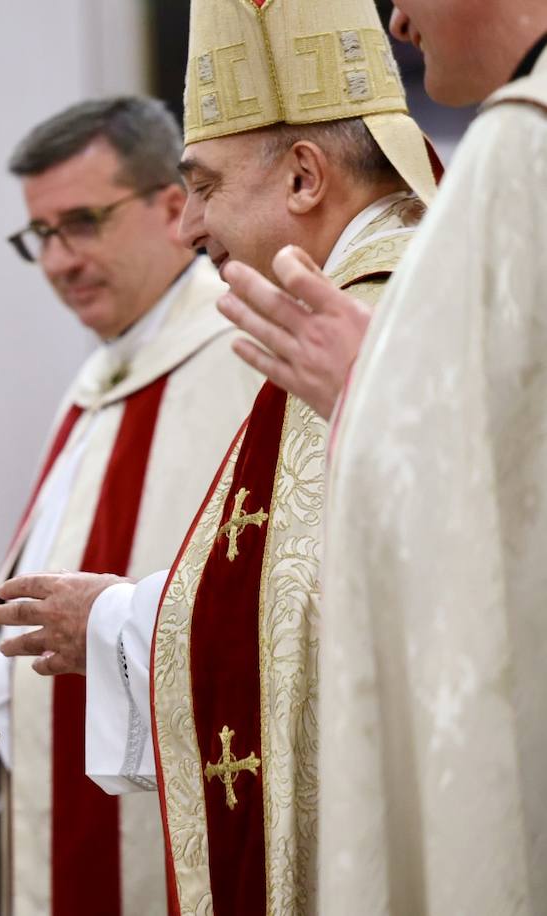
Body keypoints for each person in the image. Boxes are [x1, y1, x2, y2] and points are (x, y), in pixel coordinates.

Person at [0, 0, 440, 912]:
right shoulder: (345, 302)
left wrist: (118, 623)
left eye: (202, 185)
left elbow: (318, 619)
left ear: (306, 178)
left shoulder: (353, 315)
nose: (191, 225)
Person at [216, 1, 547, 911]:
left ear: (305, 178)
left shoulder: (523, 148)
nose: (399, 15)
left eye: (202, 186)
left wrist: (381, 398)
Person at [0, 97, 260, 916]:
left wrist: (3, 694)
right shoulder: (102, 376)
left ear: (175, 206)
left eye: (83, 223)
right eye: (41, 236)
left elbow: (236, 616)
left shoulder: (242, 355)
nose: (59, 261)